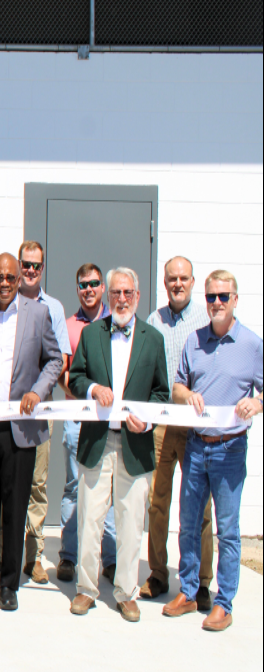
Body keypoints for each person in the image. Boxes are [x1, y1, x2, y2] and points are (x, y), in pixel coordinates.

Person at [0, 254, 62, 611]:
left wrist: (38, 390)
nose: (4, 282)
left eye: (10, 277)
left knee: (15, 505)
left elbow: (55, 360)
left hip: (21, 427)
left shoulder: (37, 313)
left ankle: (9, 583)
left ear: (19, 279)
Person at [67, 267, 169, 622]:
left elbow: (161, 392)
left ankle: (126, 592)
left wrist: (150, 420)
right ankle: (86, 590)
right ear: (108, 297)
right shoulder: (93, 334)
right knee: (90, 520)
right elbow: (75, 378)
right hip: (97, 441)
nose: (121, 299)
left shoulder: (153, 339)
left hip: (135, 445)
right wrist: (93, 389)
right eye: (116, 293)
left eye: (127, 293)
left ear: (137, 296)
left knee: (130, 522)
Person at [164, 271, 263, 632]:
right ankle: (189, 592)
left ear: (236, 299)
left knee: (227, 530)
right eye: (211, 297)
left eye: (223, 296)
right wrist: (186, 394)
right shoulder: (194, 341)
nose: (217, 303)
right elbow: (177, 385)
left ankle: (224, 603)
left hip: (230, 449)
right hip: (196, 445)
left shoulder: (252, 344)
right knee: (188, 525)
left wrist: (258, 402)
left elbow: (264, 390)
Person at [141, 256, 213, 605]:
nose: (177, 284)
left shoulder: (205, 319)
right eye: (172, 278)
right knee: (157, 501)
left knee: (199, 504)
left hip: (194, 423)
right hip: (160, 422)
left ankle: (200, 580)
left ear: (193, 281)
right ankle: (158, 573)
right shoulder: (155, 320)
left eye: (183, 278)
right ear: (165, 282)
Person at [56, 264, 117, 583]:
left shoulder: (115, 324)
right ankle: (68, 556)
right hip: (77, 417)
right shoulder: (69, 326)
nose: (89, 289)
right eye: (83, 284)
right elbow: (63, 373)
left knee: (107, 488)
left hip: (109, 421)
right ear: (77, 288)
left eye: (94, 283)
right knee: (74, 486)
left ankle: (110, 559)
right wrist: (84, 394)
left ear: (102, 288)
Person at [16, 241, 71, 584]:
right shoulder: (5, 301)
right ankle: (1, 551)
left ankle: (33, 556)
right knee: (7, 481)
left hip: (40, 409)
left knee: (37, 483)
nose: (31, 270)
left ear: (43, 268)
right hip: (6, 409)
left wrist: (36, 391)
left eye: (37, 265)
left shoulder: (53, 307)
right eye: (27, 264)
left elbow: (60, 359)